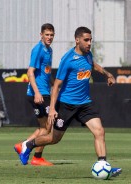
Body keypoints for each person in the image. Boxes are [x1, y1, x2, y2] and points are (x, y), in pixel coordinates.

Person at [17, 26, 122, 177]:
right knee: (54, 139)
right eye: (86, 40)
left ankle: (103, 165)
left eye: (90, 40)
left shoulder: (88, 54)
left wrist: (107, 74)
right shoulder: (67, 59)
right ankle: (28, 144)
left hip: (85, 103)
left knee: (99, 131)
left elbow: (92, 64)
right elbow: (56, 86)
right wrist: (52, 109)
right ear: (77, 40)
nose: (89, 43)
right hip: (66, 105)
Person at [14, 23, 55, 166]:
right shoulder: (38, 49)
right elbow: (30, 72)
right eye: (47, 34)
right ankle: (36, 157)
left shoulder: (49, 50)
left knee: (44, 127)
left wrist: (55, 85)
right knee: (49, 126)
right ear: (41, 35)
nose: (49, 37)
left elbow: (46, 72)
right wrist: (37, 93)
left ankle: (23, 146)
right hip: (39, 94)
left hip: (44, 92)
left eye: (51, 35)